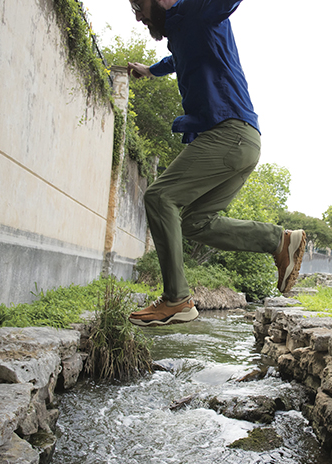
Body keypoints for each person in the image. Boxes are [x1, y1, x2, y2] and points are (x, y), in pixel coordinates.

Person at [127, 0, 306, 327]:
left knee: (159, 197)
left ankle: (176, 299)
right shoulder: (182, 32)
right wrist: (152, 70)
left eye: (139, 5)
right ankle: (278, 241)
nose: (138, 16)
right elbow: (177, 59)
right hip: (242, 142)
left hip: (228, 135)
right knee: (195, 222)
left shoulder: (198, 11)